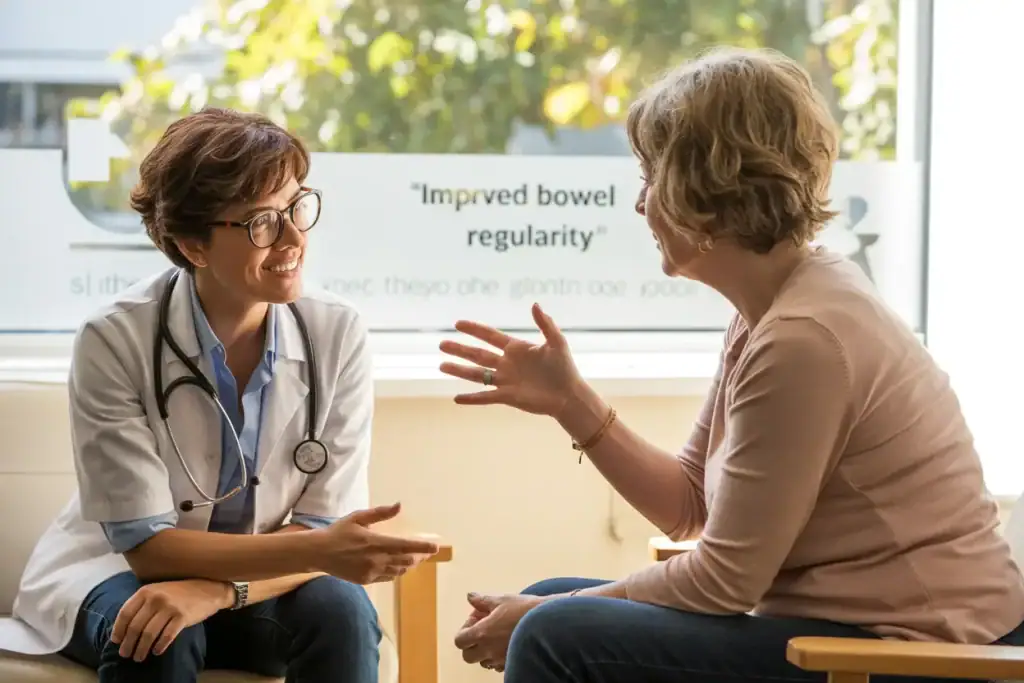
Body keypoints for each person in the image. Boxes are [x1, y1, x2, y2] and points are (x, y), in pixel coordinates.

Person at [438, 47, 1024, 682]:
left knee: (555, 630)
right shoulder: (772, 308)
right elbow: (693, 505)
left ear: (707, 192)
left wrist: (543, 613)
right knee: (552, 603)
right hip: (844, 631)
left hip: (925, 655)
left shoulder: (804, 339)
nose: (640, 206)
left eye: (651, 179)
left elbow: (723, 581)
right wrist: (570, 400)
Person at [0, 108, 438, 683]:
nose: (293, 238)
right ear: (193, 245)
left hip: (271, 584)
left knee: (345, 614)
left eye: (296, 207)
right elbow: (151, 550)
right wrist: (310, 554)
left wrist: (215, 592)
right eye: (262, 221)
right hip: (112, 573)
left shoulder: (337, 333)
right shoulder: (115, 338)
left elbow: (319, 530)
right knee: (155, 631)